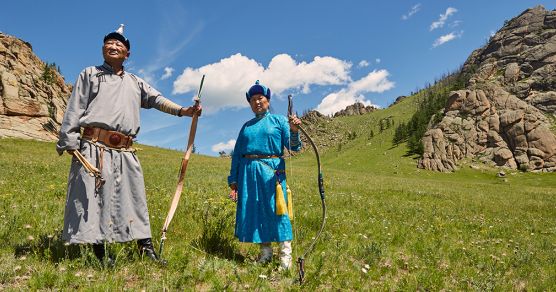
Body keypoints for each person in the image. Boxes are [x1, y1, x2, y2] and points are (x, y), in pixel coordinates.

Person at [56, 24, 201, 265]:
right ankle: (100, 252)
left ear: (127, 54)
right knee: (94, 198)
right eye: (109, 43)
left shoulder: (135, 82)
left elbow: (157, 100)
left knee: (135, 198)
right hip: (93, 146)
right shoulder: (90, 74)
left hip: (125, 151)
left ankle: (145, 248)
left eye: (119, 44)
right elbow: (75, 107)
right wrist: (69, 140)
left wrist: (184, 111)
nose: (112, 46)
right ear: (103, 48)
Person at [228, 80, 302, 270]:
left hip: (272, 174)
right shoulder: (246, 127)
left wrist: (294, 131)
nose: (257, 102)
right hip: (248, 174)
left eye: (260, 98)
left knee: (277, 211)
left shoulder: (279, 121)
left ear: (267, 100)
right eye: (252, 100)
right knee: (257, 211)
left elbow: (294, 147)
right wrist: (234, 181)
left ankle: (285, 256)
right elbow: (237, 155)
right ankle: (266, 254)